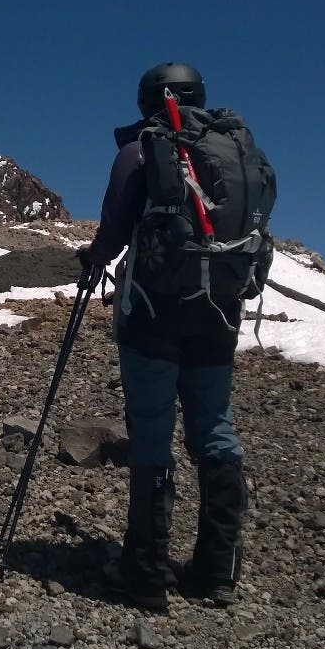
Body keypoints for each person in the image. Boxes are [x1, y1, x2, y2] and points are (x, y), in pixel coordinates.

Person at [78, 62, 271, 611]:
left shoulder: (143, 150)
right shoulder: (238, 153)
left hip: (154, 315)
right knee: (214, 429)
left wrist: (93, 261)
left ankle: (144, 574)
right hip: (219, 313)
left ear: (147, 101)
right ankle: (215, 571)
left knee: (152, 434)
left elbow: (114, 228)